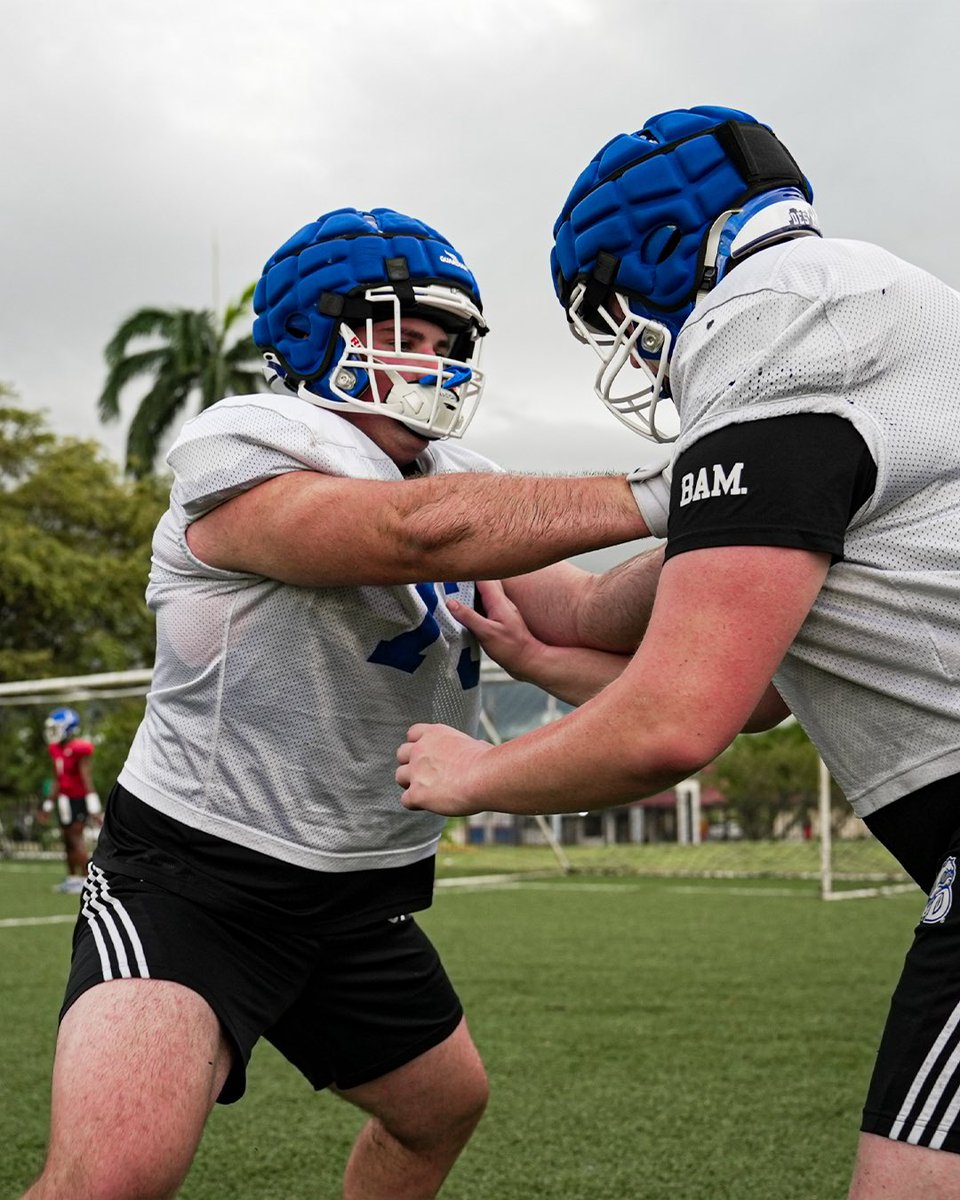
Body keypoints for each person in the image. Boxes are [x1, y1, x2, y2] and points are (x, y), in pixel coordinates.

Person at [23, 205, 669, 1200]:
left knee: (439, 1111)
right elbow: (414, 536)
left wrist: (735, 515)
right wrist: (671, 488)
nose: (433, 361)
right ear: (312, 331)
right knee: (114, 1175)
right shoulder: (254, 440)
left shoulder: (462, 480)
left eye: (446, 342)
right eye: (401, 334)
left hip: (359, 892)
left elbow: (588, 610)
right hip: (200, 878)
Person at [395, 107, 960, 1199]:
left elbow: (679, 722)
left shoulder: (777, 323)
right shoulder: (874, 314)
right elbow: (668, 644)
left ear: (651, 257)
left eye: (610, 309)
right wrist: (526, 627)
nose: (625, 342)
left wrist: (479, 775)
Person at [40, 706, 102, 894]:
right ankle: (72, 877)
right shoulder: (56, 749)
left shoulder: (78, 749)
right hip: (63, 800)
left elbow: (86, 778)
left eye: (56, 728)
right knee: (67, 839)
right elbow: (57, 779)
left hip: (77, 799)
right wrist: (48, 804)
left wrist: (94, 806)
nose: (53, 732)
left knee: (76, 838)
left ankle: (85, 878)